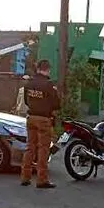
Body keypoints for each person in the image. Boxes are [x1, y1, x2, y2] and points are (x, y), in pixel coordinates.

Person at [20, 60, 60, 189]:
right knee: (43, 149)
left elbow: (26, 101)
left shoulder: (29, 83)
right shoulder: (49, 85)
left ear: (37, 69)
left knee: (29, 147)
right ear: (48, 69)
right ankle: (41, 180)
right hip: (44, 119)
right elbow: (56, 104)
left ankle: (25, 177)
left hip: (31, 117)